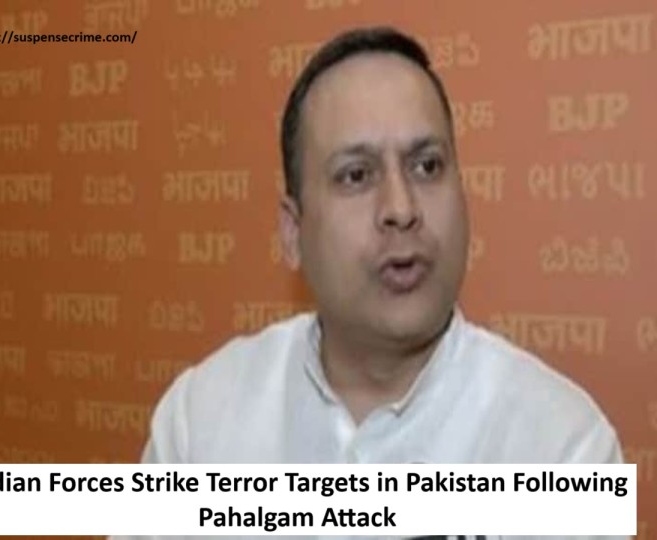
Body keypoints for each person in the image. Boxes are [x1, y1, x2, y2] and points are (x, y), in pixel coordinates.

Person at [128, 26, 623, 539]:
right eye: (356, 175)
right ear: (294, 233)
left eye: (426, 166)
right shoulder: (200, 420)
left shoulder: (563, 449)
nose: (401, 208)